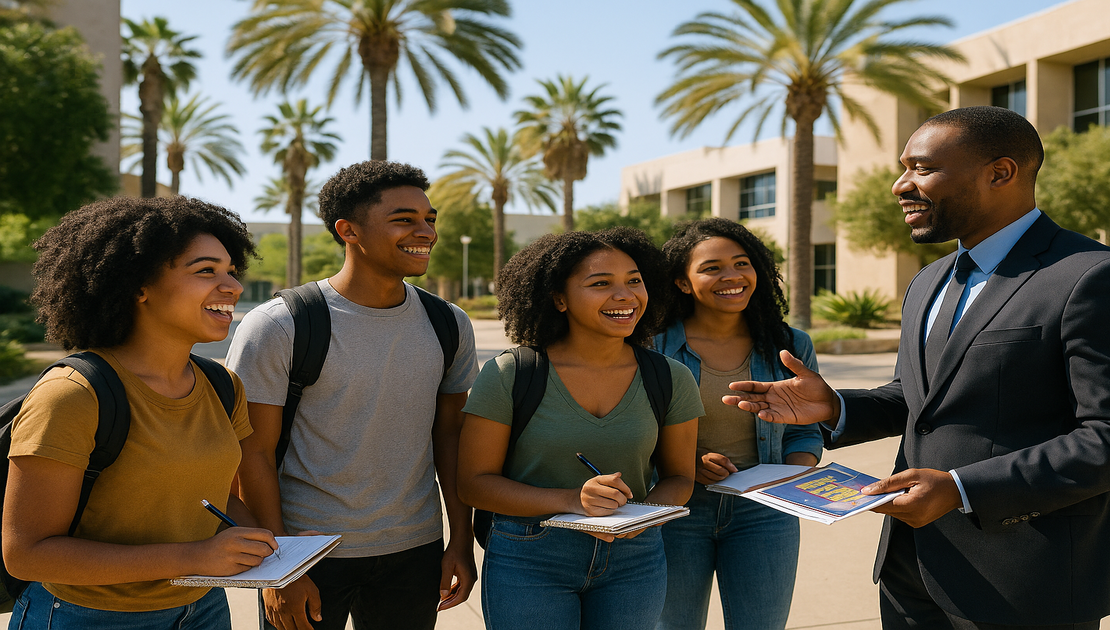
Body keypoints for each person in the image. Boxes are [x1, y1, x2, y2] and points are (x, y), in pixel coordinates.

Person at [722, 106, 1110, 629]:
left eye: (922, 168)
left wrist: (962, 488)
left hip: (1031, 578)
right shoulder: (929, 281)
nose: (900, 185)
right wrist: (836, 406)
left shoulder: (1097, 278)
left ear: (1000, 173)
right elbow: (923, 398)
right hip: (911, 571)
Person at [227, 161, 479, 630]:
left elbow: (451, 438)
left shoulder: (449, 323)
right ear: (349, 230)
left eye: (430, 218)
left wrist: (459, 540)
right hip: (307, 548)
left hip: (414, 549)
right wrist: (279, 568)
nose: (425, 231)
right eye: (404, 219)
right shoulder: (280, 325)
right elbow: (251, 452)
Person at [4, 196, 276, 629]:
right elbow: (25, 553)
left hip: (202, 609)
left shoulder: (223, 386)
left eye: (231, 271)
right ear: (137, 286)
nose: (233, 286)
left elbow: (206, 492)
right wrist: (193, 556)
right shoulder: (72, 395)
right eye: (206, 270)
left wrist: (270, 546)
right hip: (87, 617)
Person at [458, 227, 703, 630]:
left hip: (636, 559)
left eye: (634, 281)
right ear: (558, 298)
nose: (624, 295)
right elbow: (474, 484)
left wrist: (641, 516)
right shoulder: (510, 374)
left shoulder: (670, 377)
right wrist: (572, 499)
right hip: (530, 556)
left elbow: (680, 477)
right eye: (600, 283)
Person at [652, 218, 822, 630]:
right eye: (711, 268)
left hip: (765, 513)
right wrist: (686, 461)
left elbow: (805, 430)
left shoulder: (791, 345)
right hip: (676, 511)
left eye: (741, 263)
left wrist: (787, 475)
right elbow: (629, 429)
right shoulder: (652, 346)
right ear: (682, 282)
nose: (732, 276)